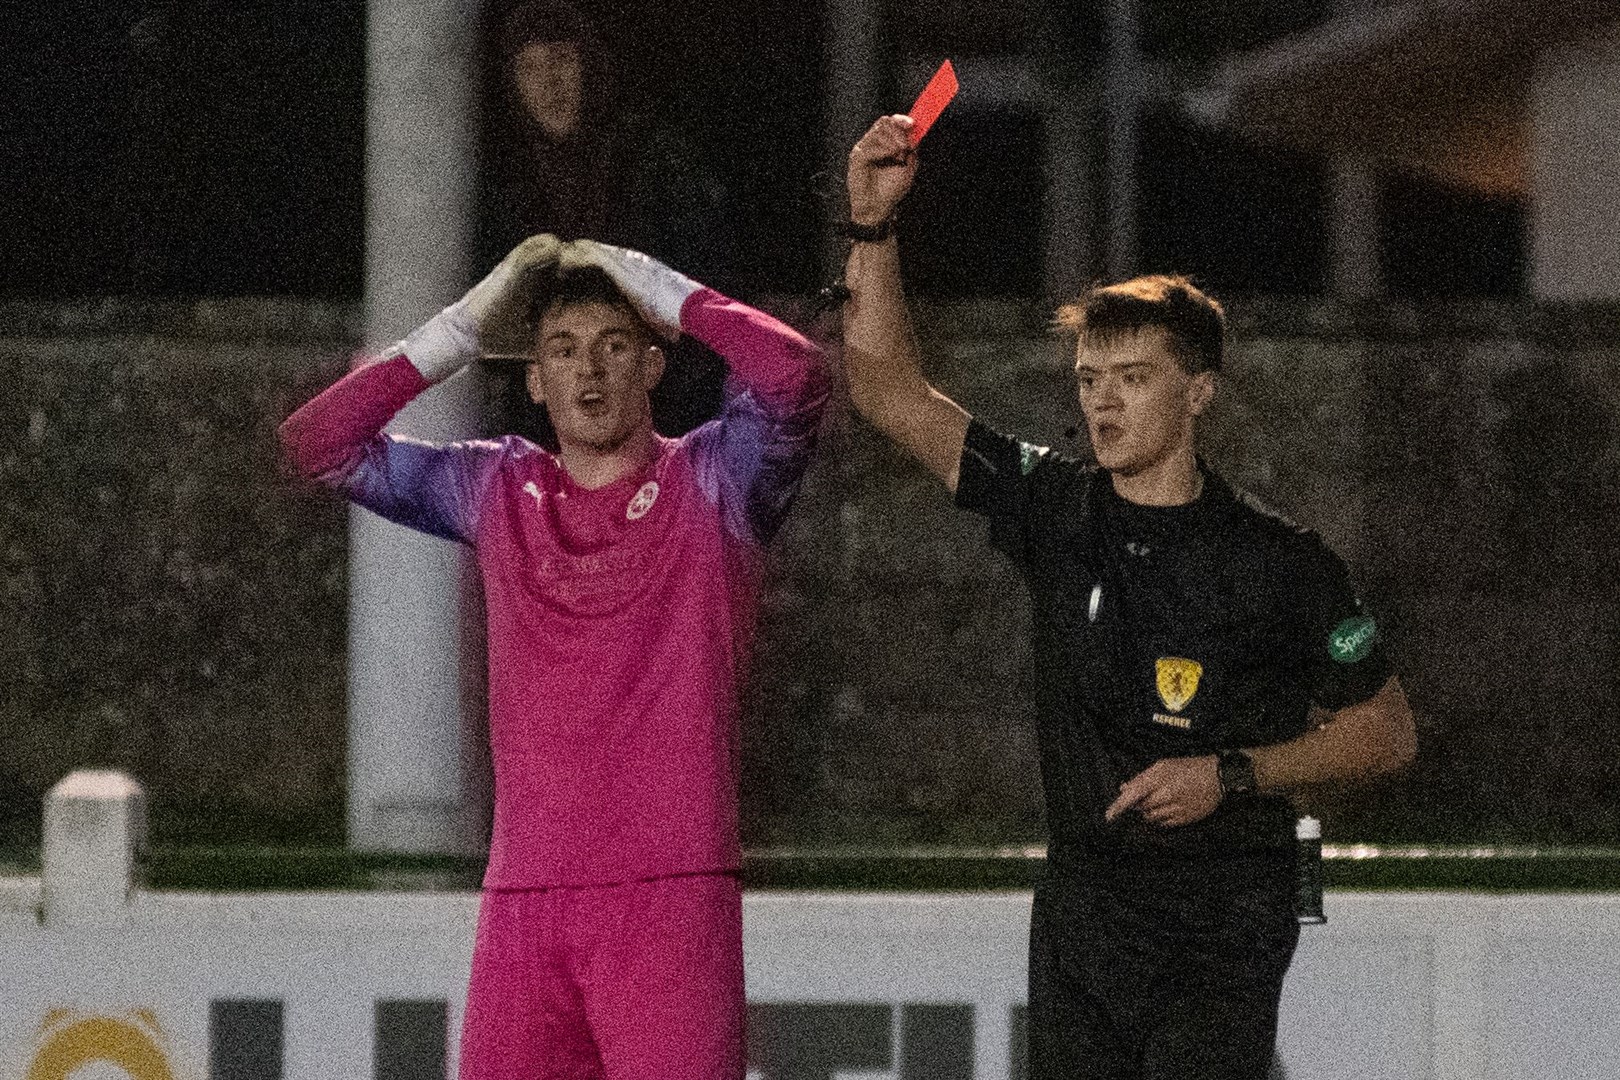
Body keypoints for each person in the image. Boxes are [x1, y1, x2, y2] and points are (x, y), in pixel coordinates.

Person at [840, 115, 1417, 1080]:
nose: (1102, 404)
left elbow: (1388, 734)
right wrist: (870, 228)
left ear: (1199, 392)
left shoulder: (1283, 561)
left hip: (1227, 913)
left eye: (1133, 379)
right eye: (1089, 380)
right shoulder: (1055, 505)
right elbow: (889, 390)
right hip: (1084, 915)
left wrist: (1229, 774)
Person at [278, 234, 828, 1079]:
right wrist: (461, 329)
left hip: (670, 901)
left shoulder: (715, 481)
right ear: (533, 380)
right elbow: (319, 443)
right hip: (524, 907)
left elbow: (796, 377)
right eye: (562, 352)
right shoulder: (498, 486)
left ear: (653, 364)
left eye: (614, 347)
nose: (588, 372)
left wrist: (667, 289)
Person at [479, 0, 738, 288]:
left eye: (562, 59)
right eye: (529, 68)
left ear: (589, 66)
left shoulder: (652, 154)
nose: (548, 82)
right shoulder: (510, 181)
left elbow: (707, 274)